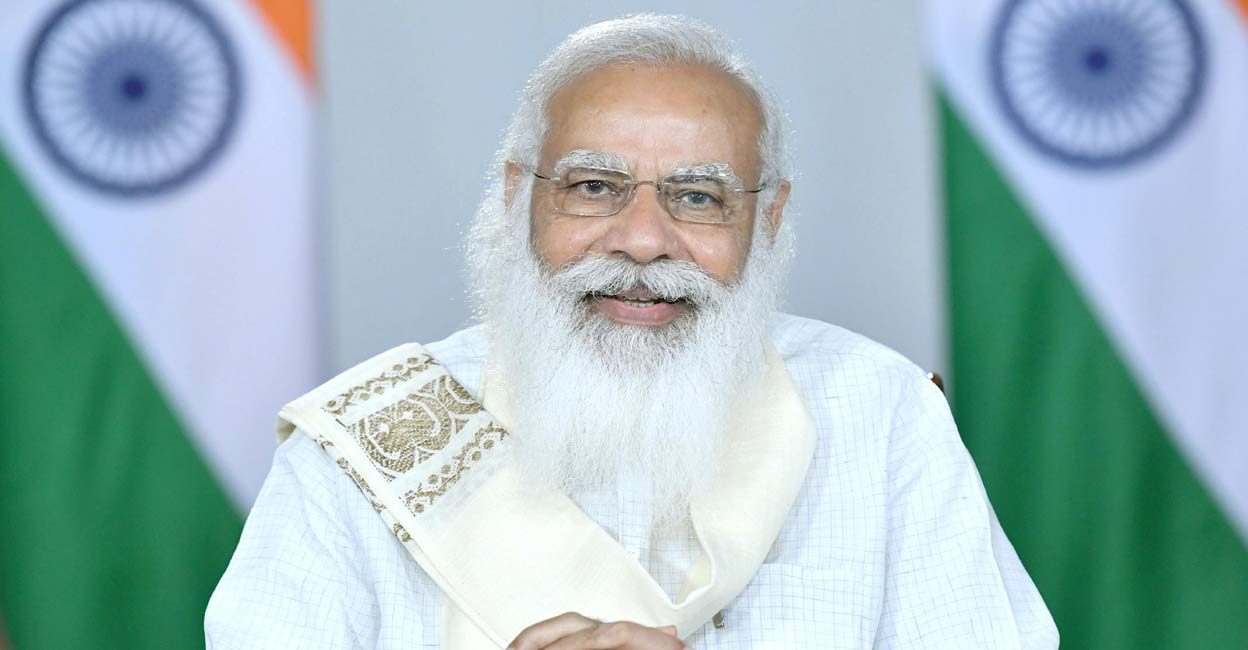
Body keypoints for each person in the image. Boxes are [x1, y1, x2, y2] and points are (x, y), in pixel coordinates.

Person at [205, 14, 1058, 649]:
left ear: (768, 221)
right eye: (593, 186)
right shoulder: (358, 452)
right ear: (515, 198)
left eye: (698, 196)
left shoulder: (882, 416)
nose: (644, 241)